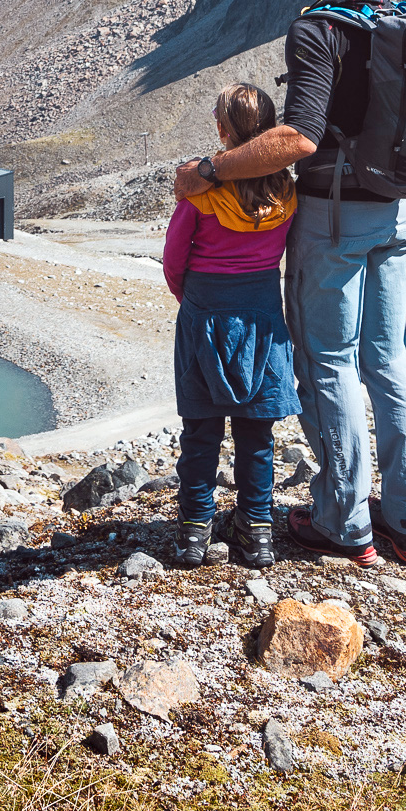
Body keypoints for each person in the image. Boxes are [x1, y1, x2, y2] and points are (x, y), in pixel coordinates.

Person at [180, 0, 406, 567]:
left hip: (338, 214)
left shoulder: (316, 28)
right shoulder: (397, 14)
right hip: (398, 212)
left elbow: (299, 135)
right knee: (389, 358)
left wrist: (210, 169)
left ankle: (343, 520)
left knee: (329, 362)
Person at [159, 82, 302, 570]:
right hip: (262, 317)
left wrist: (194, 299)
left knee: (200, 433)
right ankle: (256, 531)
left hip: (205, 316)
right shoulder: (286, 193)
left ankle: (194, 532)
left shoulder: (201, 194)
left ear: (222, 129)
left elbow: (173, 261)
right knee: (256, 436)